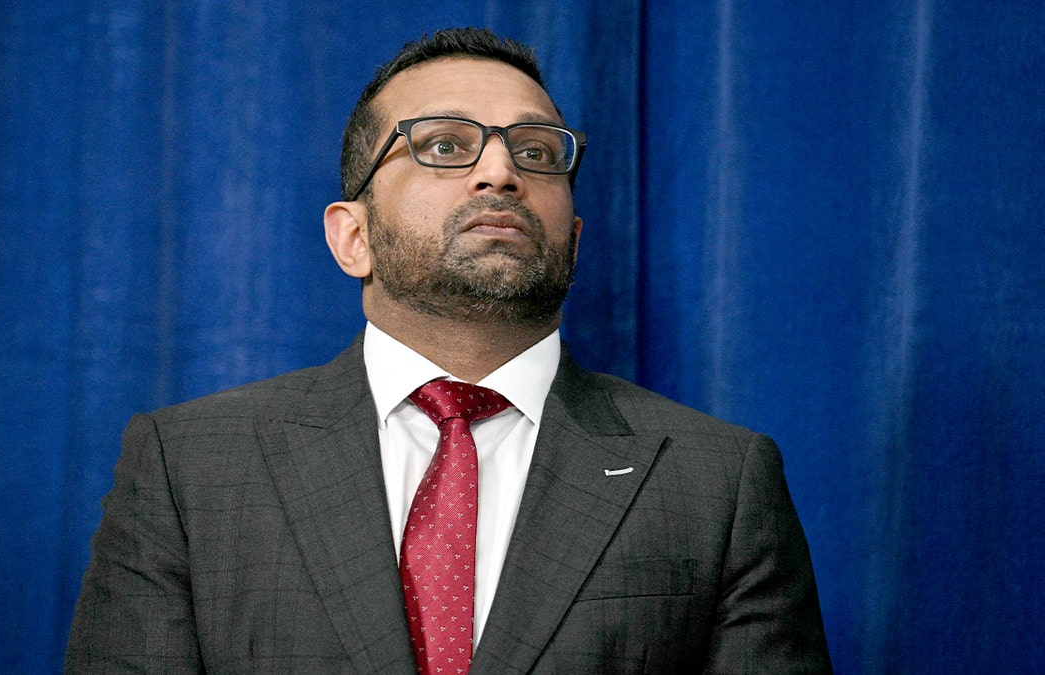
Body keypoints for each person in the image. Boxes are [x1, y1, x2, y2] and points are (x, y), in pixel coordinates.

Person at [65, 27, 831, 673]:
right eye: (442, 145)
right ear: (352, 236)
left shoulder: (719, 483)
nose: (500, 171)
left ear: (574, 235)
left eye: (536, 152)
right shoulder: (188, 467)